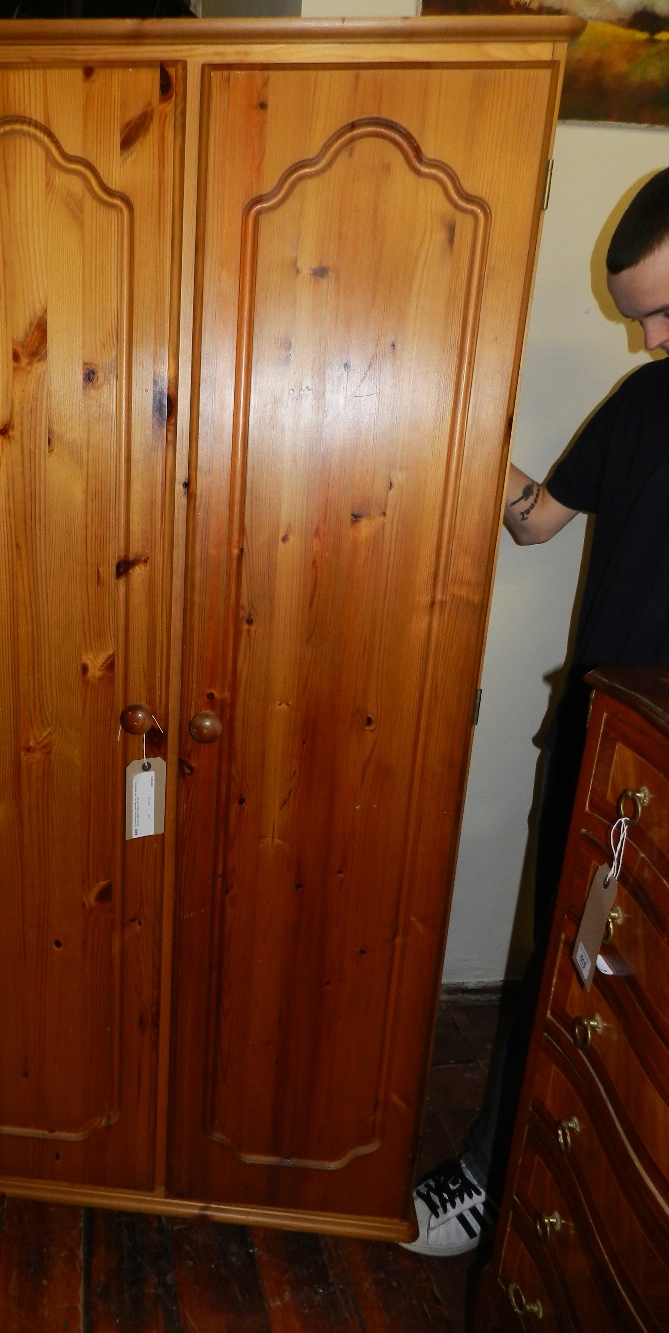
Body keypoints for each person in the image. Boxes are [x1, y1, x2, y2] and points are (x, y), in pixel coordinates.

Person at [402, 165, 669, 1258]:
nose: (650, 341)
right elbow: (533, 523)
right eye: (638, 318)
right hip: (603, 758)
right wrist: (462, 437)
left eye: (661, 309)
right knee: (564, 975)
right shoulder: (646, 401)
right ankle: (489, 1176)